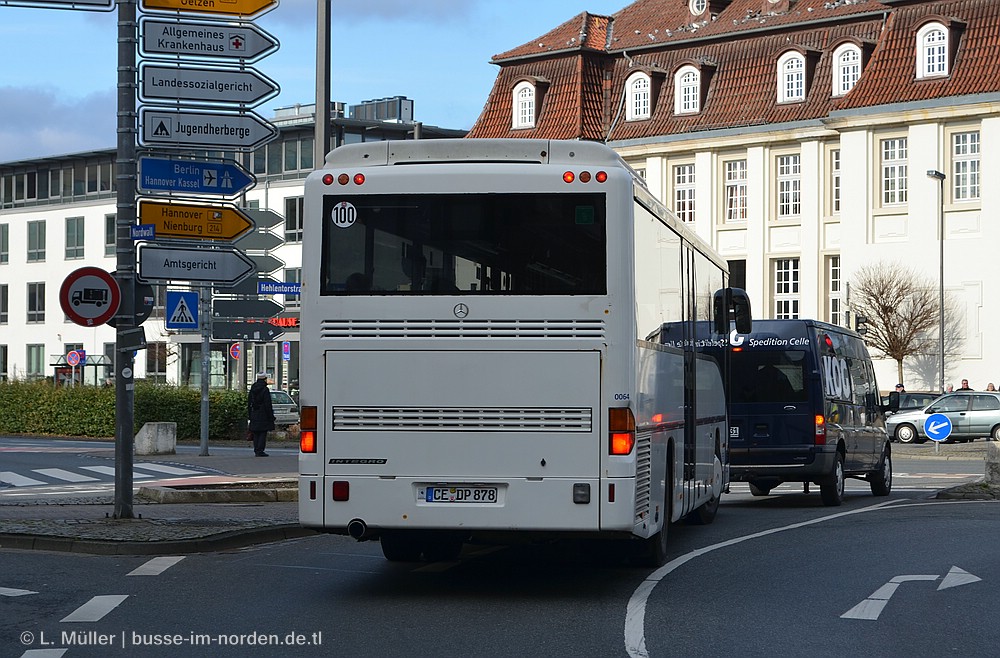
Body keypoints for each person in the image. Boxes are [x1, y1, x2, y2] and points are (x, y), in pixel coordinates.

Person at [248, 372, 276, 457]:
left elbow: (249, 402)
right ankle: (260, 450)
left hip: (254, 413)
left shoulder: (253, 388)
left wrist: (250, 414)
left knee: (256, 433)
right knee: (262, 433)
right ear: (264, 379)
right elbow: (268, 404)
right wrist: (271, 416)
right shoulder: (265, 389)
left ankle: (256, 450)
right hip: (263, 414)